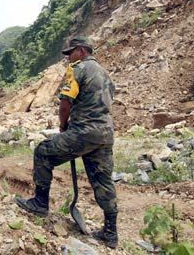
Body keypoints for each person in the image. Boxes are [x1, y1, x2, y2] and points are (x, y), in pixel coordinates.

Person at [15, 37, 119, 248]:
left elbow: (65, 102)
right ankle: (110, 233)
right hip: (105, 134)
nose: (68, 58)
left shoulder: (78, 69)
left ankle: (39, 203)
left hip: (83, 132)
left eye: (70, 53)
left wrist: (63, 125)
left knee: (43, 151)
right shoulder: (106, 74)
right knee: (103, 180)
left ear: (81, 51)